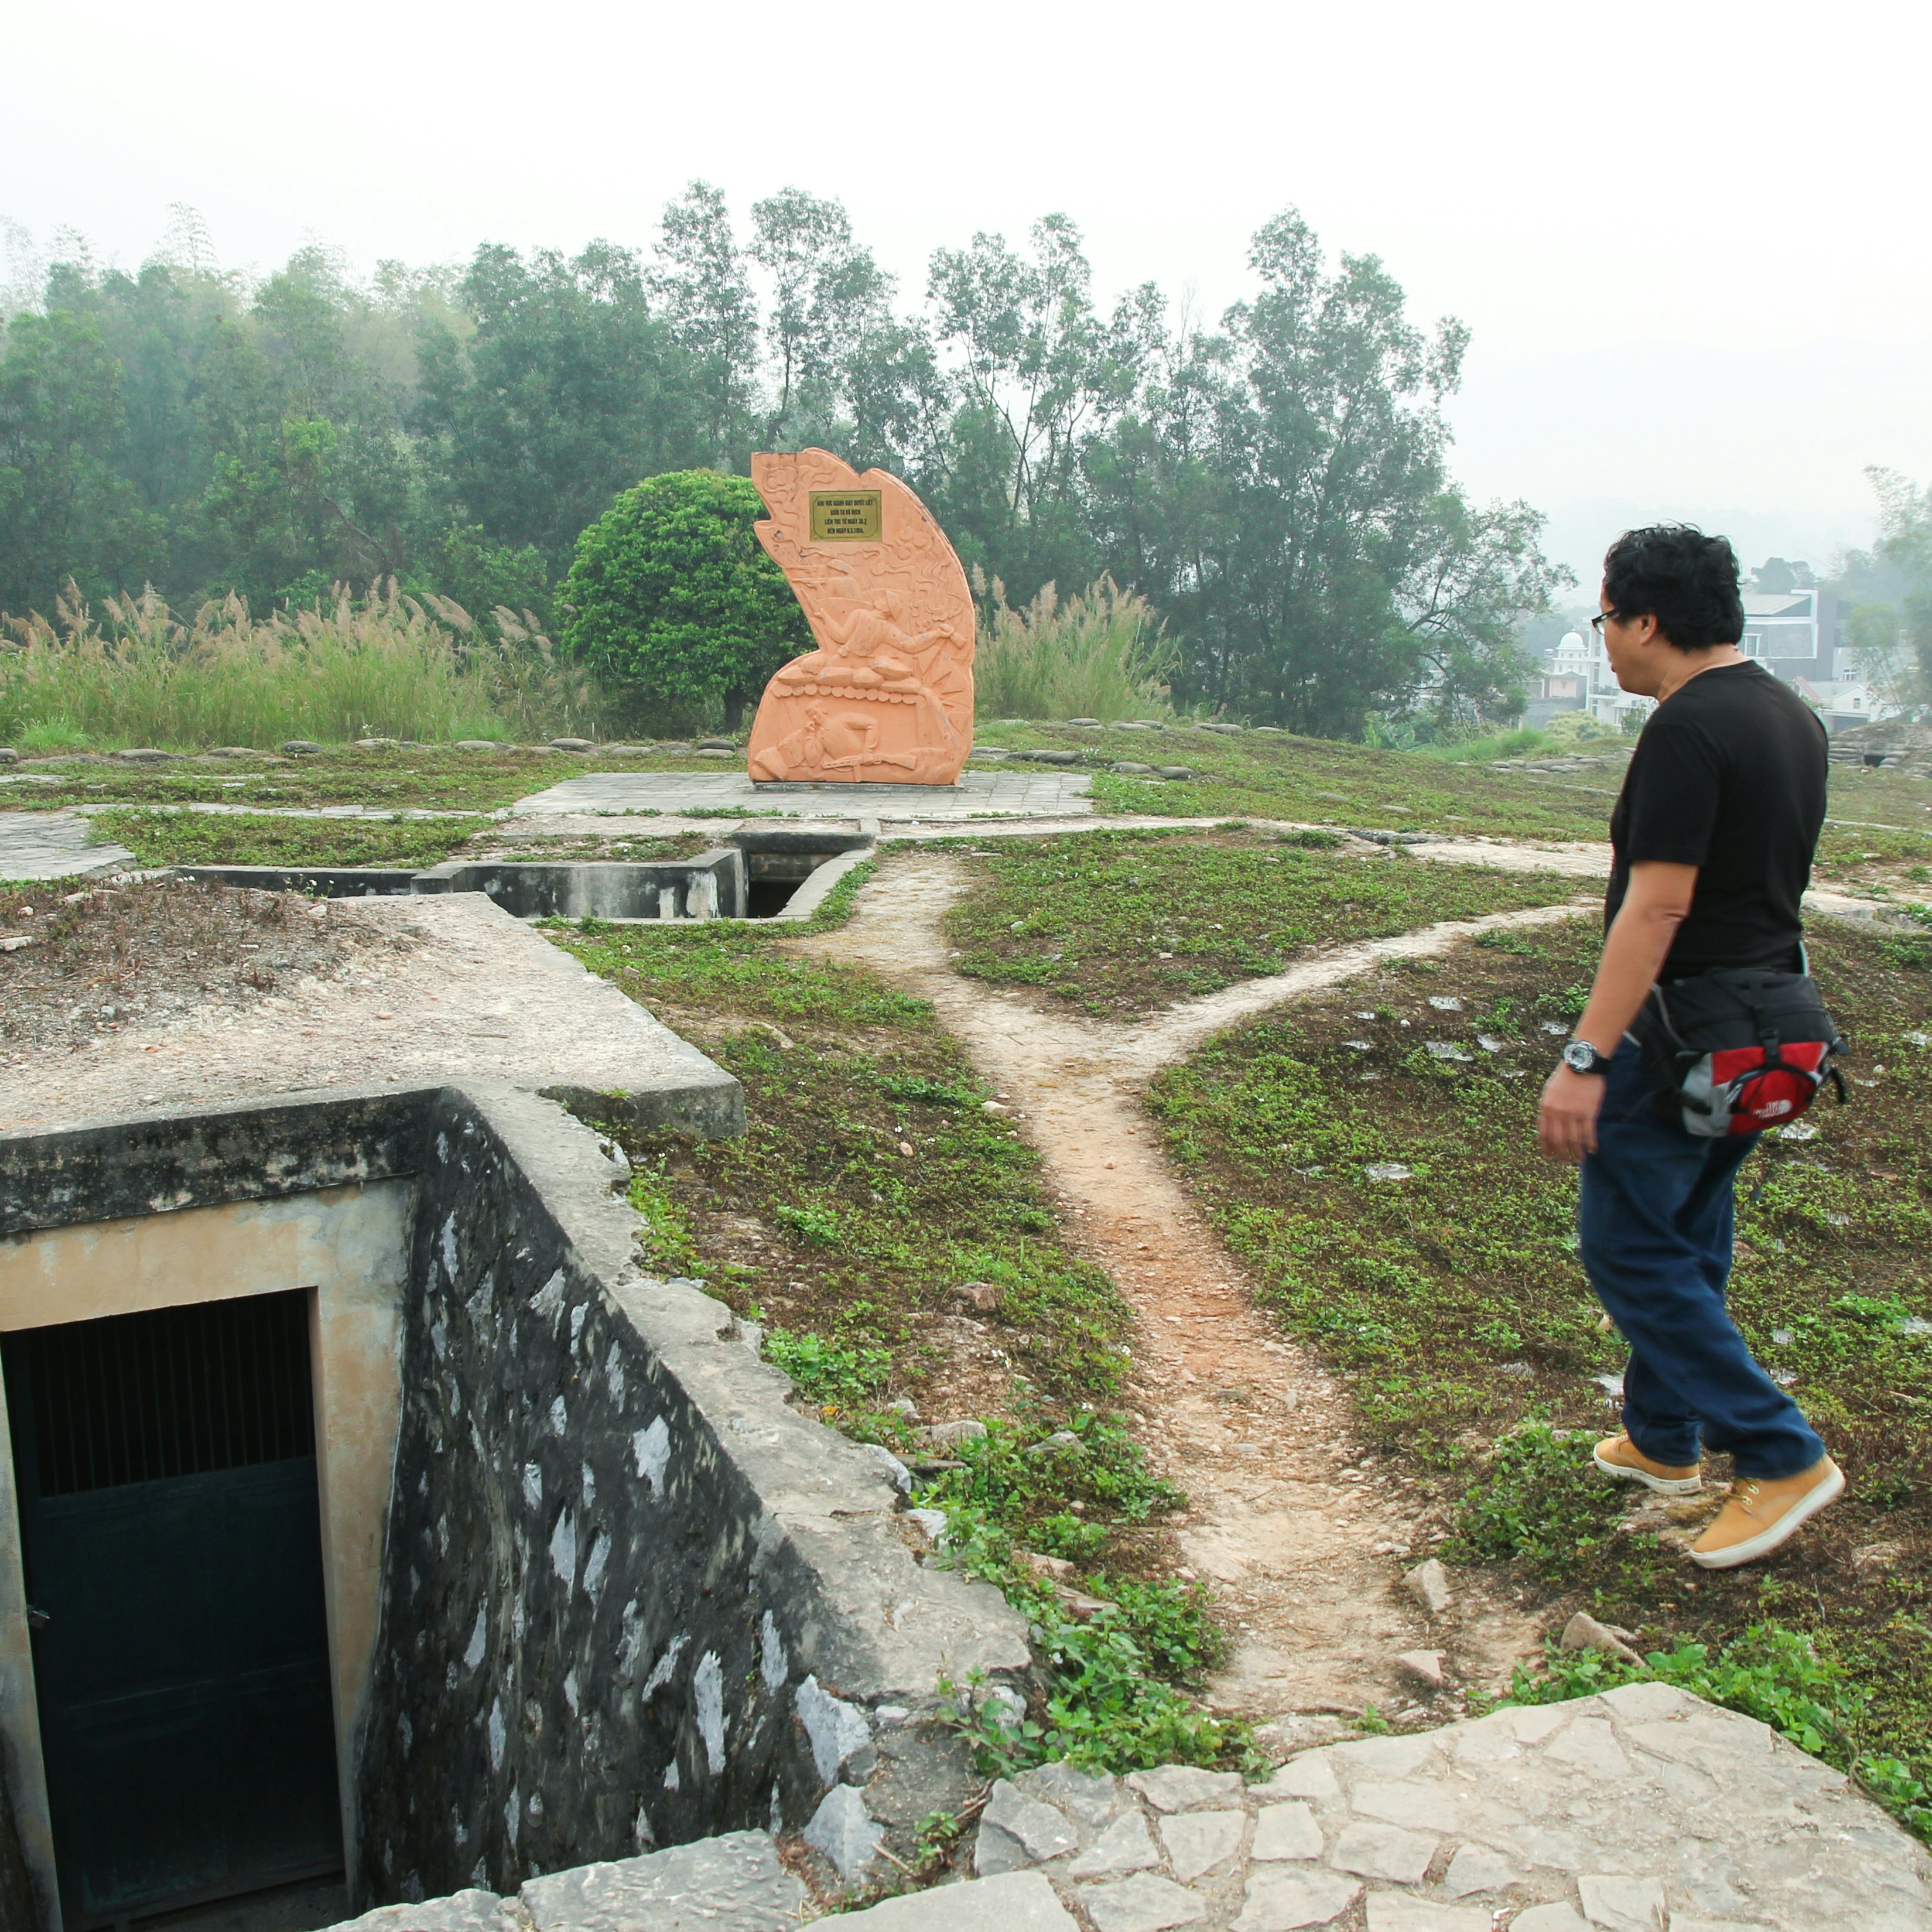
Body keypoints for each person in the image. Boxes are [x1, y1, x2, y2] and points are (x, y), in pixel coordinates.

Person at [1536, 525, 1843, 1569]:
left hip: (1679, 1036)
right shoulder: (1790, 716)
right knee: (1692, 1230)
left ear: (1646, 621)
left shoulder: (1687, 727)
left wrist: (1588, 1056)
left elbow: (1659, 906)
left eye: (1606, 619)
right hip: (1774, 1028)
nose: (1606, 639)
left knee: (1627, 1245)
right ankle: (1663, 1438)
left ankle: (1779, 1452)